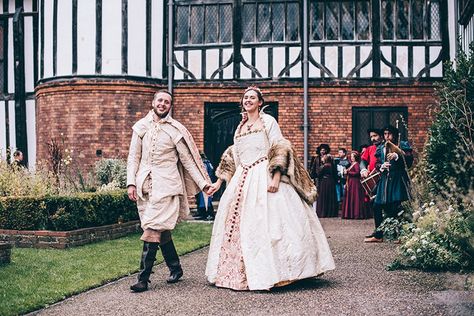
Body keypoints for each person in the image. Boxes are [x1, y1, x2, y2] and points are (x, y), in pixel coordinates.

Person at [205, 86, 335, 291]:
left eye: (252, 98)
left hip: (263, 174)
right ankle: (237, 271)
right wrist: (219, 182)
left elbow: (279, 147)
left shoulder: (268, 122)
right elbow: (233, 155)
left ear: (260, 102)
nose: (248, 100)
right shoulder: (240, 127)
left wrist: (275, 177)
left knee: (273, 223)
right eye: (245, 97)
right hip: (243, 178)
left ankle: (283, 272)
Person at [127, 90, 211, 292]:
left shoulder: (175, 130)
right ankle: (176, 268)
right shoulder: (140, 127)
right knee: (160, 231)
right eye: (160, 100)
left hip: (168, 186)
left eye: (167, 102)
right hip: (145, 186)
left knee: (152, 228)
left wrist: (203, 184)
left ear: (170, 106)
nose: (163, 104)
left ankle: (143, 279)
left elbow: (188, 161)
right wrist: (131, 183)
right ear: (153, 102)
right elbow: (133, 158)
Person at [364, 125, 413, 242]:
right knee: (376, 205)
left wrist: (397, 155)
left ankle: (401, 235)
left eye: (389, 134)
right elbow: (377, 163)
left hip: (398, 179)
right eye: (385, 134)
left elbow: (410, 161)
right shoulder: (381, 147)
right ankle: (379, 235)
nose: (387, 136)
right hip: (385, 180)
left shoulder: (402, 144)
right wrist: (381, 166)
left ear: (394, 135)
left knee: (397, 207)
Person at [341, 151, 368, 219]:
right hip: (351, 182)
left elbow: (357, 173)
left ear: (356, 157)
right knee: (351, 196)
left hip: (355, 183)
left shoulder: (356, 164)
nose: (352, 158)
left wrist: (348, 172)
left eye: (353, 156)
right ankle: (351, 213)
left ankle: (356, 214)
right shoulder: (352, 164)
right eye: (351, 156)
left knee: (355, 197)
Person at [194, 151, 216, 220]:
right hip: (206, 183)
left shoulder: (205, 164)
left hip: (205, 184)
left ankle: (209, 215)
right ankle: (202, 214)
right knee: (202, 200)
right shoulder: (207, 163)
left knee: (206, 201)